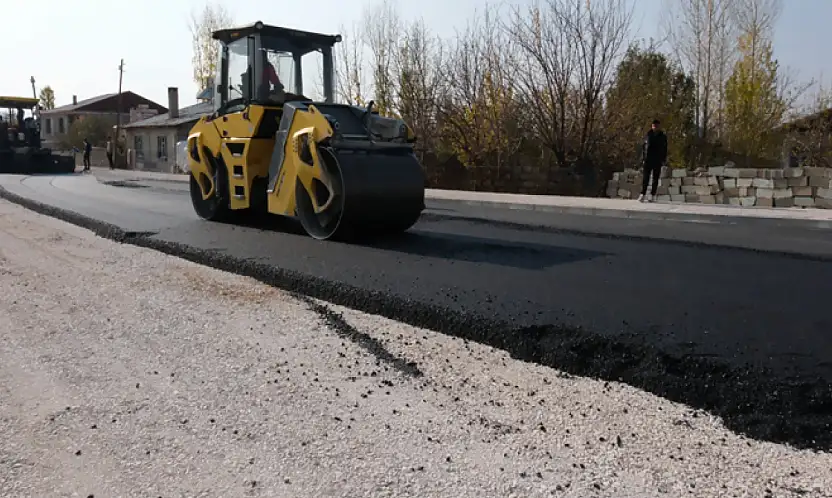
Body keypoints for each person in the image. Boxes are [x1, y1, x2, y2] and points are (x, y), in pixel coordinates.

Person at [638, 119, 668, 203]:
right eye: (653, 125)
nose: (655, 127)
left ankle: (652, 195)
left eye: (656, 126)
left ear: (659, 127)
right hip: (648, 160)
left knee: (655, 178)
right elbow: (643, 148)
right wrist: (642, 159)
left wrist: (663, 159)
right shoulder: (647, 135)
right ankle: (642, 194)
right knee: (645, 178)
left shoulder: (662, 137)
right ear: (652, 126)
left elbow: (665, 149)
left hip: (657, 160)